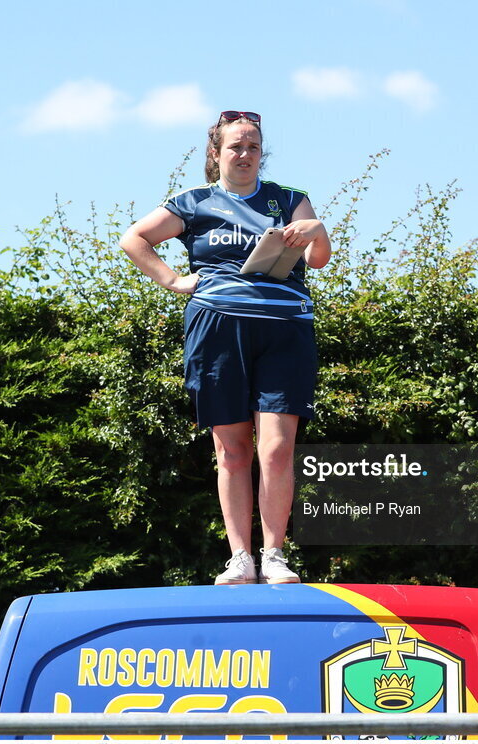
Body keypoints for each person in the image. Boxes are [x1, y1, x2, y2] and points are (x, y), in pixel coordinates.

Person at [119, 110, 331, 586]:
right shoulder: (193, 202)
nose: (245, 154)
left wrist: (316, 232)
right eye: (236, 146)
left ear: (262, 153)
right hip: (216, 329)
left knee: (277, 449)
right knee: (232, 451)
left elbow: (317, 260)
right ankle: (241, 558)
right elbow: (133, 239)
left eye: (253, 146)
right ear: (216, 153)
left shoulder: (289, 200)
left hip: (285, 330)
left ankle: (274, 554)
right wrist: (173, 280)